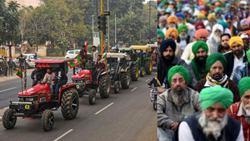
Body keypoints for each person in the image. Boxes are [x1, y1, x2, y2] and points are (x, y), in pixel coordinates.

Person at [174, 86, 244, 141]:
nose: (215, 115)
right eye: (211, 109)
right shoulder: (187, 126)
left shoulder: (235, 126)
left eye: (220, 110)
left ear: (226, 110)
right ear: (203, 108)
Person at [157, 65, 200, 141]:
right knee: (159, 129)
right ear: (170, 83)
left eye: (181, 80)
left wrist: (186, 124)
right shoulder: (163, 97)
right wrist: (171, 124)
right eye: (174, 80)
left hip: (189, 132)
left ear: (186, 82)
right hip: (169, 134)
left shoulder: (195, 96)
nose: (178, 84)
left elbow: (205, 111)